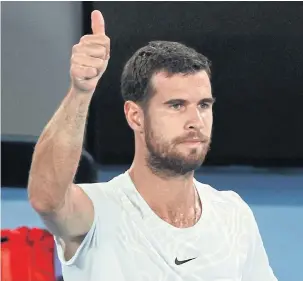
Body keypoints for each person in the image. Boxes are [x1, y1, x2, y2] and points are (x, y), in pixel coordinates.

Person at [28, 9, 278, 281]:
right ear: (135, 116)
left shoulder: (233, 213)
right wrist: (81, 91)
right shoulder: (97, 212)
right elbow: (47, 199)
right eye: (176, 105)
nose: (195, 121)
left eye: (204, 105)